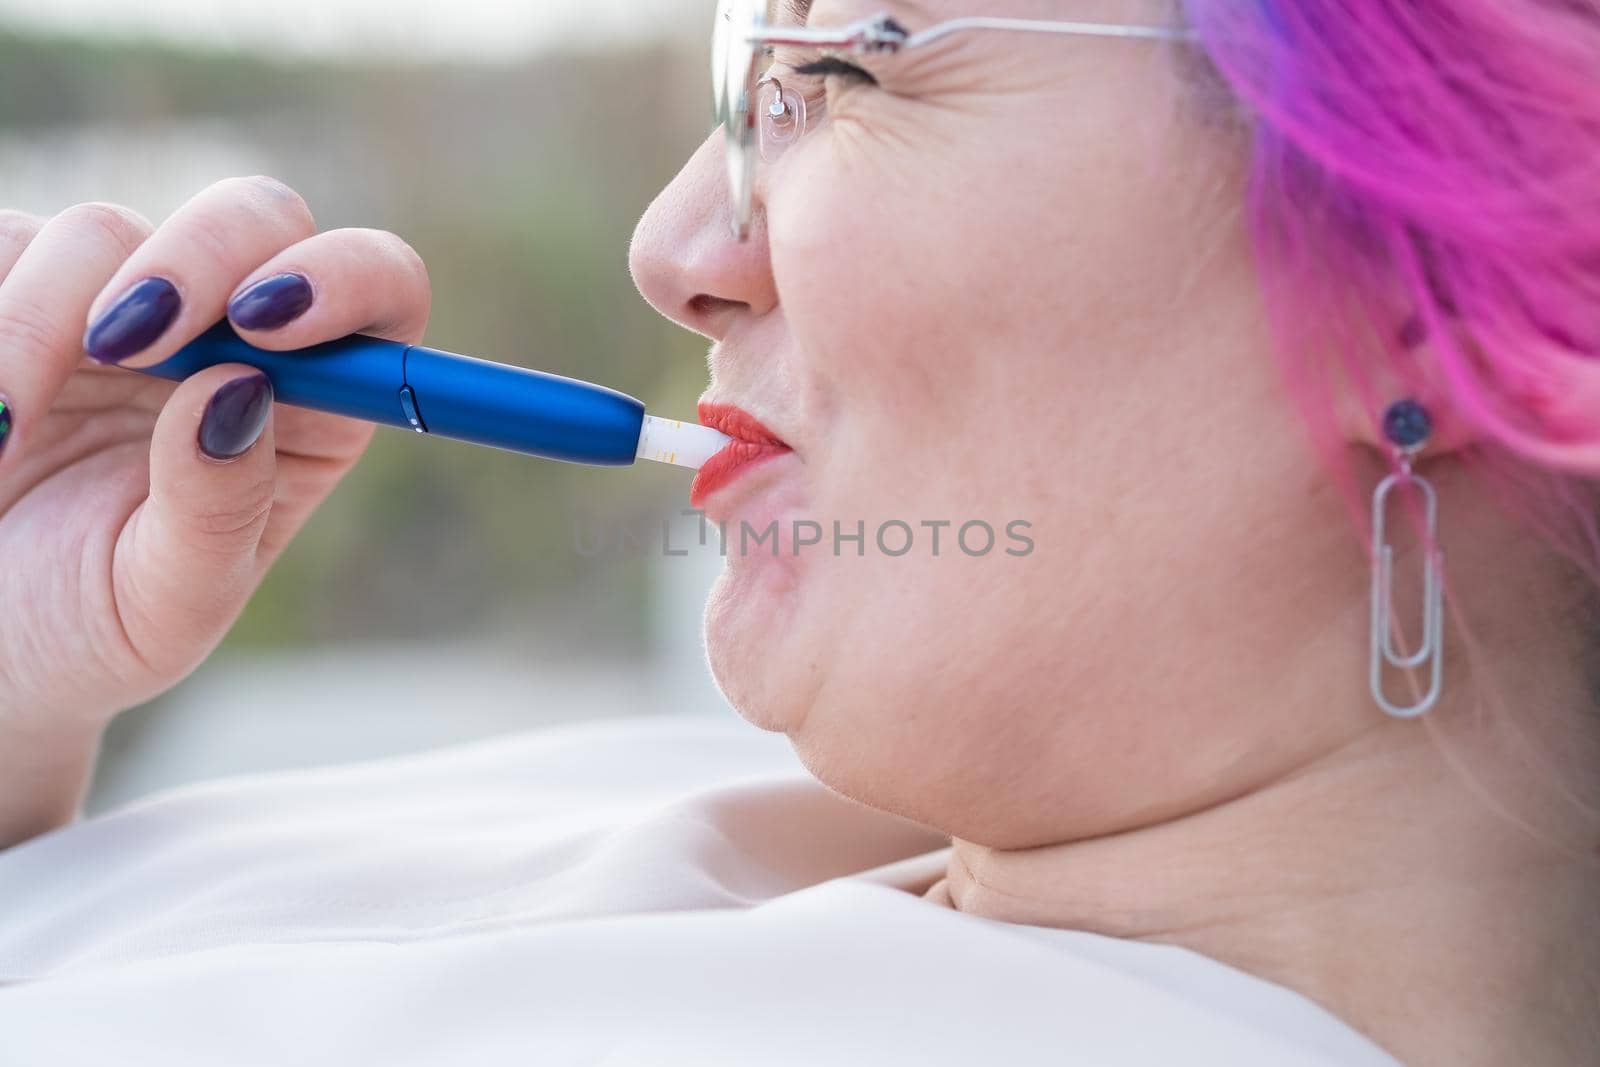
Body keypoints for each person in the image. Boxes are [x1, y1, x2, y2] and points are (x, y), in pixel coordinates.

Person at [1, 1, 1596, 1063]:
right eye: (735, 75)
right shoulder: (703, 802)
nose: (675, 246)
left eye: (839, 70)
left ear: (1423, 273)